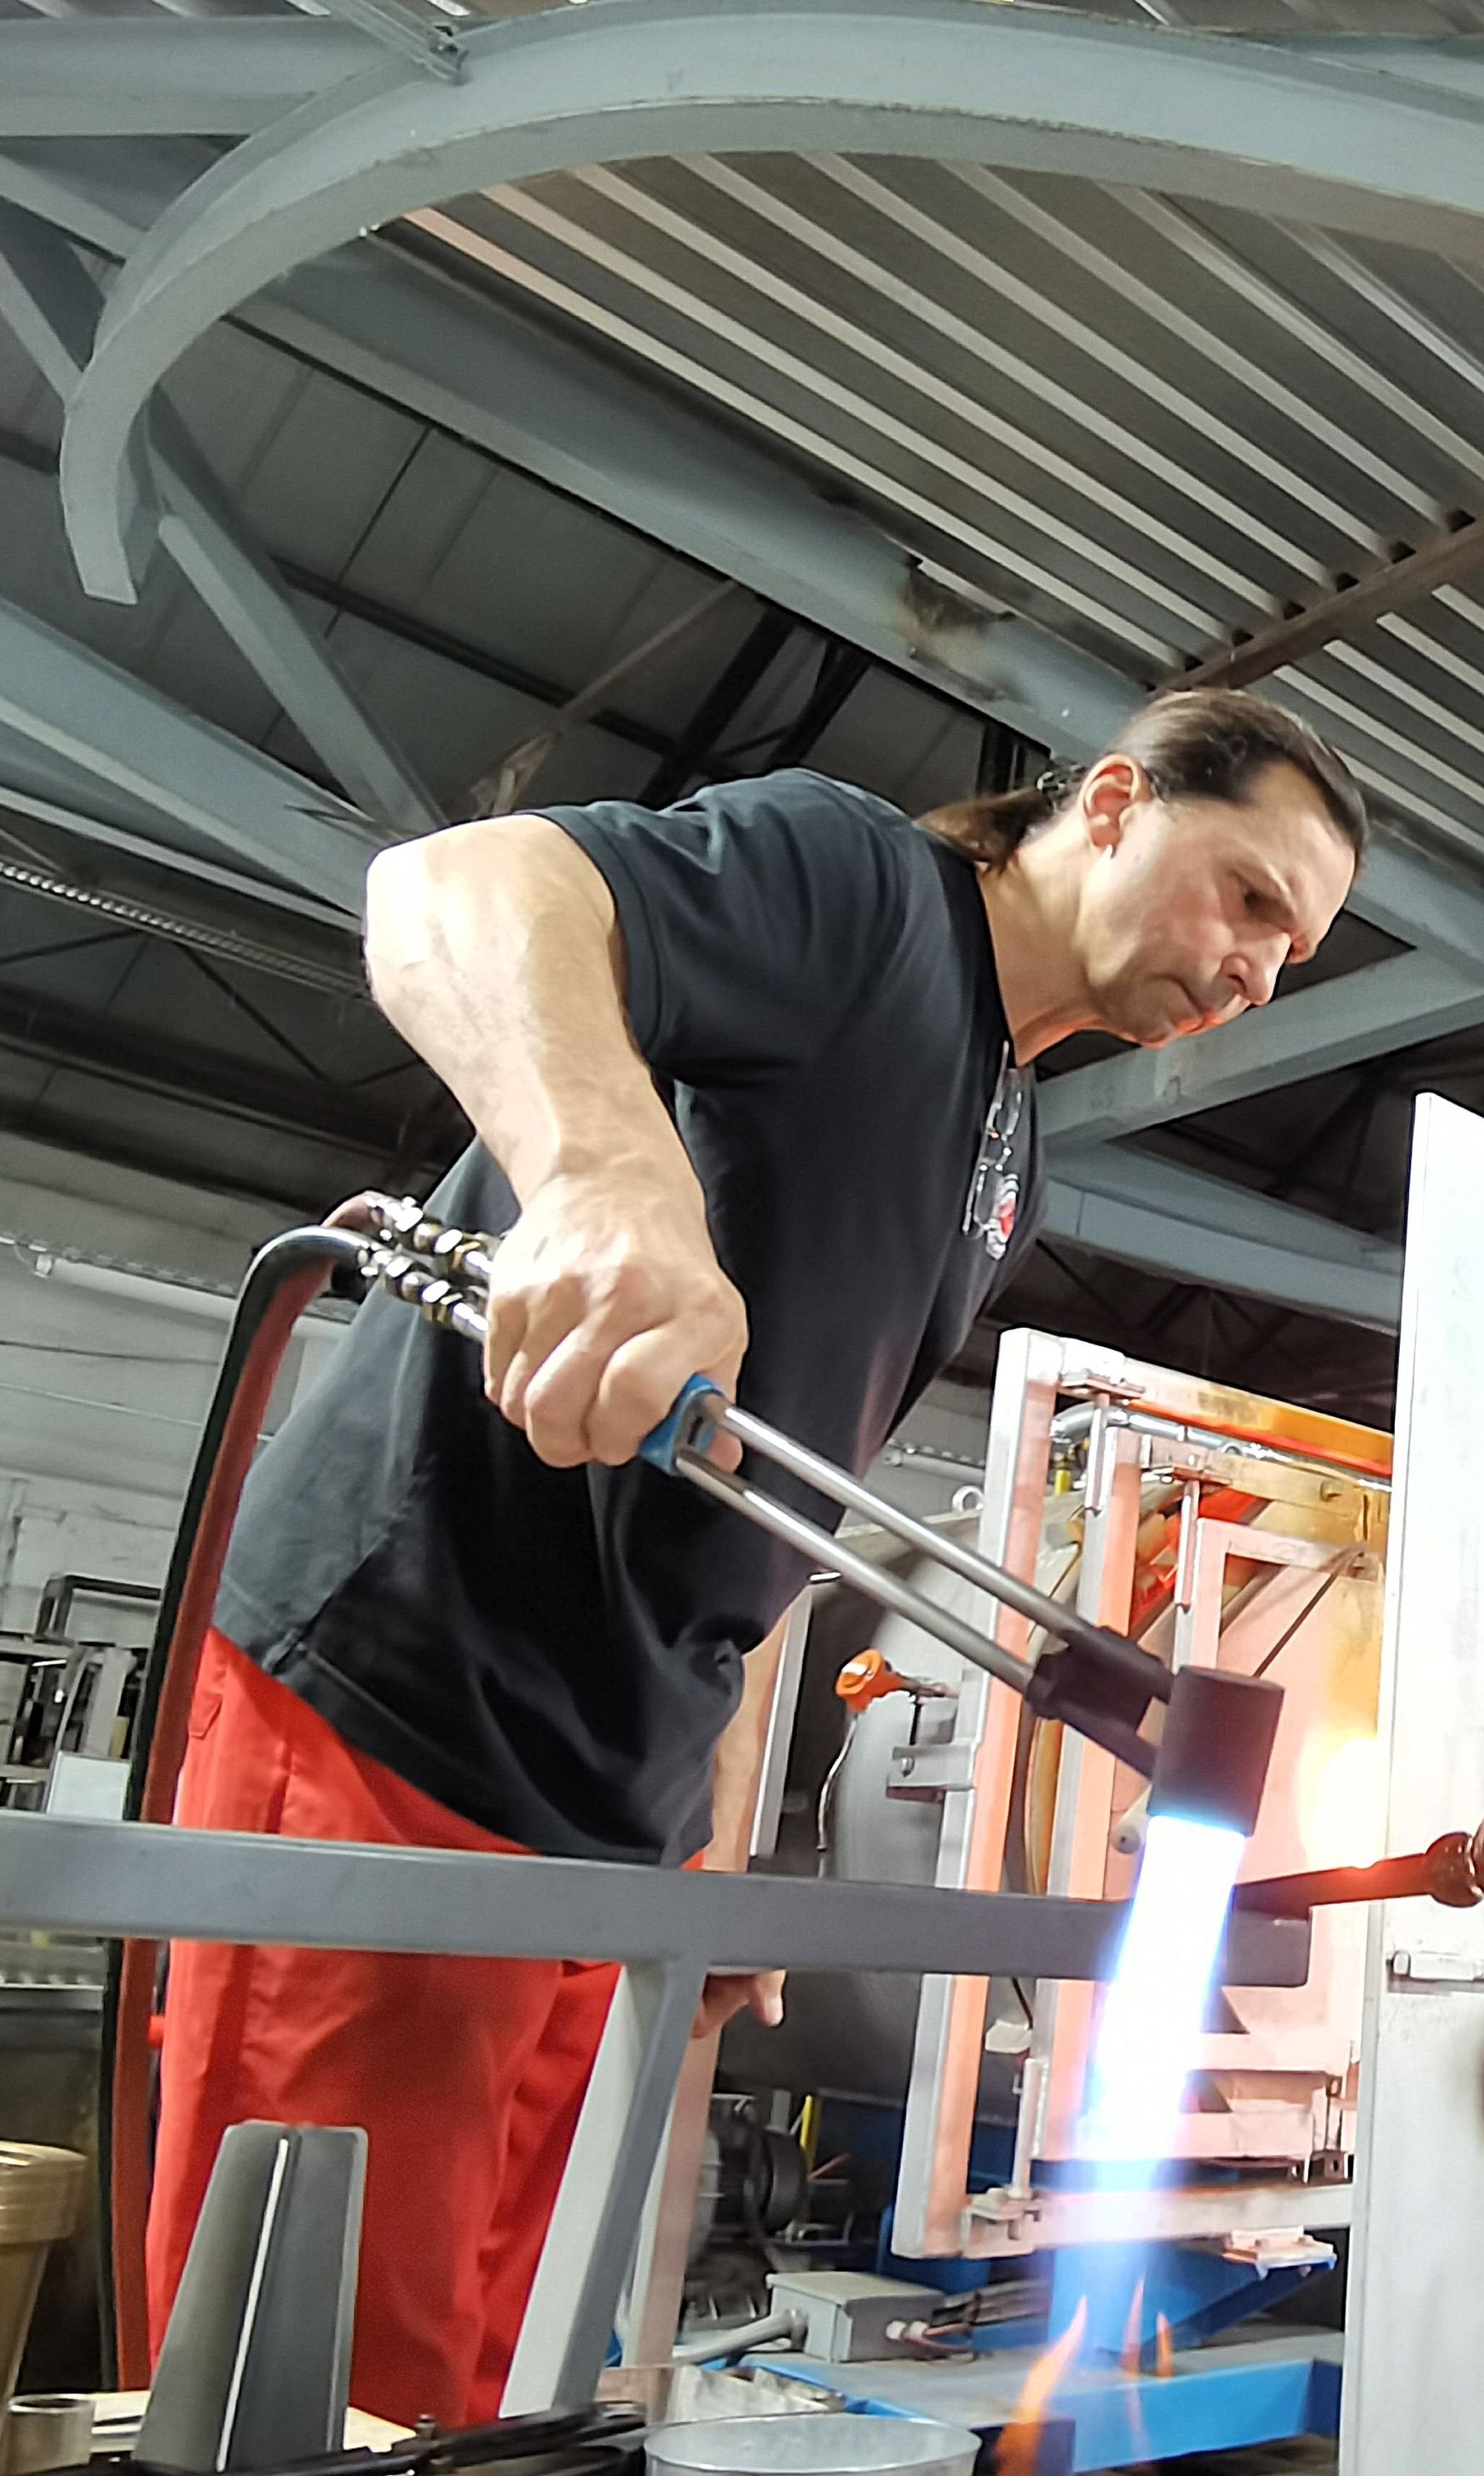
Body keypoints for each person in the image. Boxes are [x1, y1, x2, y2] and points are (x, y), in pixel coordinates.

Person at [149, 688, 1366, 2431]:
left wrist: (702, 1825)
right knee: (311, 2387)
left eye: (1294, 949)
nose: (1257, 966)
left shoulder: (1010, 1147)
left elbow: (766, 1498)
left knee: (488, 2398)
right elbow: (455, 890)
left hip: (601, 1811)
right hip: (409, 1713)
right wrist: (599, 1187)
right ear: (1109, 803)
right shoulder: (865, 893)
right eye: (1247, 896)